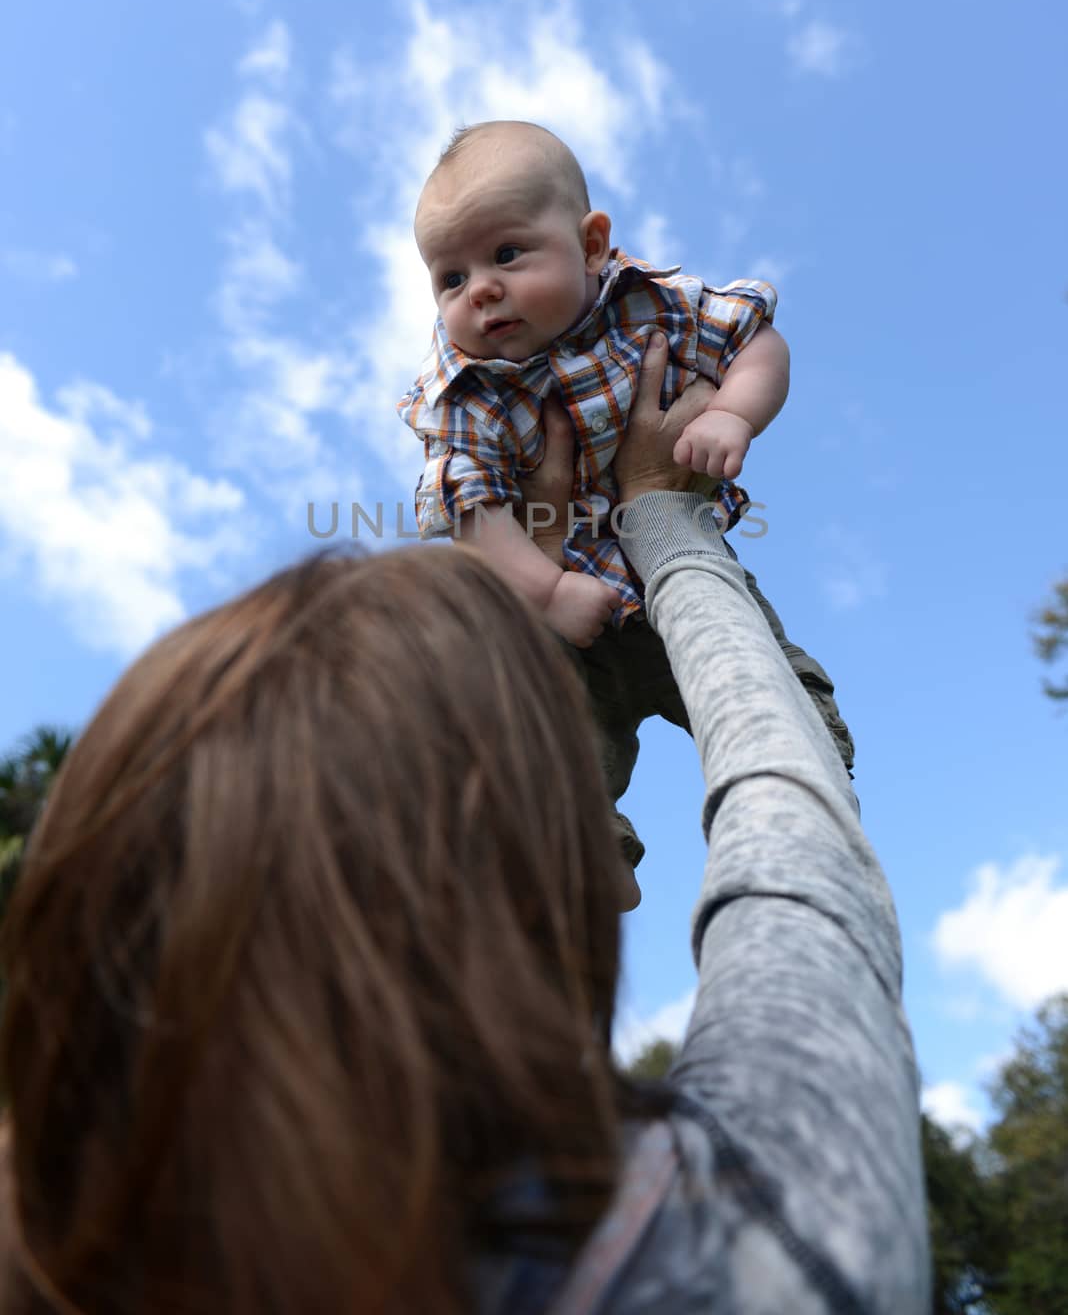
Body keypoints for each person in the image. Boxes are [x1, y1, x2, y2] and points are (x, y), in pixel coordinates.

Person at [0, 337, 929, 1314]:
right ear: (576, 883)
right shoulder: (743, 1229)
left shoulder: (62, 1243)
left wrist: (528, 557)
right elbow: (792, 820)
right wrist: (660, 515)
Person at [398, 120, 854, 874]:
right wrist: (544, 593)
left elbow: (756, 341)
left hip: (684, 576)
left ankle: (810, 770)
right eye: (450, 278)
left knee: (757, 670)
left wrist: (734, 411)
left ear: (591, 244)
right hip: (572, 607)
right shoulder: (465, 393)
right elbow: (468, 508)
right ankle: (580, 845)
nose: (479, 289)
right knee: (548, 720)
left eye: (507, 254)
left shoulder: (652, 307)